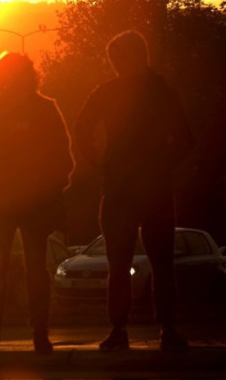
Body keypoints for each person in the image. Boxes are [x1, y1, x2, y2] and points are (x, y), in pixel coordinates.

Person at [73, 30, 193, 352]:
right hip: (154, 188)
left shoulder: (108, 92)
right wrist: (162, 163)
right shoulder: (162, 93)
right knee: (163, 263)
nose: (116, 65)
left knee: (119, 262)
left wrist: (99, 161)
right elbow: (185, 139)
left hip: (119, 190)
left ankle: (119, 329)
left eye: (117, 59)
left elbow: (82, 127)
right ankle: (167, 328)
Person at [0, 52, 73, 355]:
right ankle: (39, 335)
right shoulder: (45, 110)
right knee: (36, 268)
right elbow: (64, 160)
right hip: (33, 203)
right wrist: (49, 190)